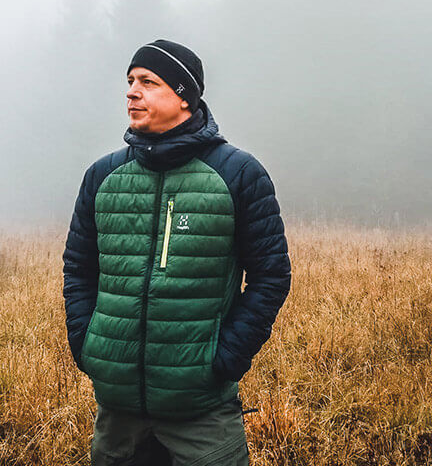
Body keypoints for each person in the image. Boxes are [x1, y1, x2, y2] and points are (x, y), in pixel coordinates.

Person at [62, 39, 291, 465]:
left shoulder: (237, 174)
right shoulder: (103, 176)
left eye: (148, 81)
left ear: (184, 96)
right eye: (130, 81)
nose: (132, 91)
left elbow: (271, 275)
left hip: (201, 412)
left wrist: (221, 361)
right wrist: (87, 344)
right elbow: (78, 268)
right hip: (118, 412)